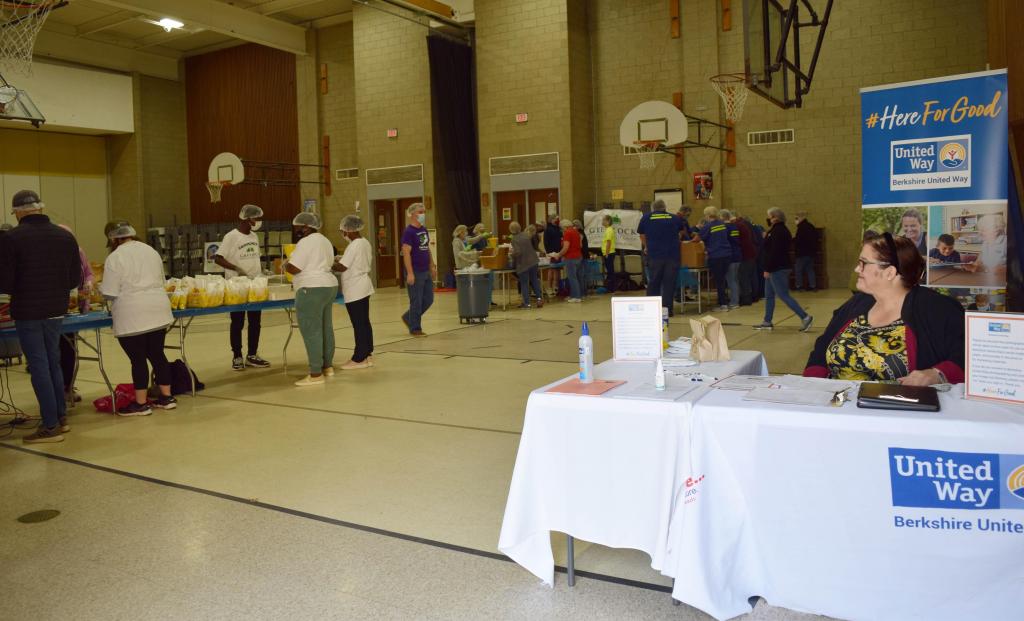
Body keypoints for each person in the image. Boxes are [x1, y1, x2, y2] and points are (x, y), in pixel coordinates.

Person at [804, 233, 964, 385]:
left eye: (863, 263)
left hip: (895, 409)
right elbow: (823, 346)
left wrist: (937, 374)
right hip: (838, 405)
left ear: (890, 272)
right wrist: (813, 385)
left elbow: (968, 356)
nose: (857, 269)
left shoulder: (938, 309)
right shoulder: (857, 302)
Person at [0, 190, 82, 442]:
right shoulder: (64, 236)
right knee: (52, 362)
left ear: (18, 212)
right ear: (40, 208)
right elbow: (74, 279)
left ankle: (50, 426)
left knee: (39, 366)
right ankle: (60, 416)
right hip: (57, 310)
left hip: (28, 311)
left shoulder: (11, 239)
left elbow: (5, 282)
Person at [101, 222, 176, 416]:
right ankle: (167, 398)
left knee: (138, 359)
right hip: (158, 308)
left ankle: (141, 404)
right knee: (158, 354)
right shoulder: (151, 251)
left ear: (113, 238)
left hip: (133, 313)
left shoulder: (115, 257)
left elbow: (109, 291)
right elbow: (161, 279)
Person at [215, 204, 271, 371]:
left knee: (255, 321)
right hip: (236, 286)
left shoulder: (254, 236)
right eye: (257, 218)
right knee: (237, 322)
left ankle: (252, 355)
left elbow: (253, 257)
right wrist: (236, 268)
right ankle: (237, 356)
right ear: (248, 219)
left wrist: (261, 271)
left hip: (254, 285)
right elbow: (218, 258)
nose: (259, 221)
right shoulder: (231, 237)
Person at [286, 212, 338, 385]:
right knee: (325, 327)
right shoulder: (325, 240)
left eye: (298, 227)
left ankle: (315, 374)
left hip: (311, 287)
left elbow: (294, 268)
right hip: (328, 285)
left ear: (306, 227)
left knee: (311, 330)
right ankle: (327, 367)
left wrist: (286, 263)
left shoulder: (305, 242)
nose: (296, 230)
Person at [755, 208, 813, 331]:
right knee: (769, 295)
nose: (768, 219)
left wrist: (767, 268)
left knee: (783, 295)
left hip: (777, 268)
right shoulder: (777, 230)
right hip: (775, 267)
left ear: (775, 217)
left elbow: (775, 252)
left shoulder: (778, 231)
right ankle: (767, 321)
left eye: (769, 216)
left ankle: (805, 317)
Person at [57, 224, 94, 406]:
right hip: (53, 309)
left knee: (69, 349)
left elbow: (88, 274)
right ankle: (56, 390)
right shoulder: (49, 253)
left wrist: (88, 285)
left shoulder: (79, 251)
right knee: (53, 352)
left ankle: (67, 387)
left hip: (74, 308)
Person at [333, 215, 375, 370]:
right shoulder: (364, 242)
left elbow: (342, 267)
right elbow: (352, 261)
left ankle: (359, 358)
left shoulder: (354, 245)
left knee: (358, 323)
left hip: (355, 288)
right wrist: (339, 258)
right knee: (364, 322)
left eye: (342, 231)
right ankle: (368, 353)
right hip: (363, 286)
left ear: (349, 230)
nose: (342, 234)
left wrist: (326, 263)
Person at [638, 199, 684, 315]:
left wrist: (646, 246)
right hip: (672, 256)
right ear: (665, 207)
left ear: (653, 208)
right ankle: (667, 310)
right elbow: (681, 233)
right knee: (669, 283)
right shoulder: (675, 218)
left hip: (655, 255)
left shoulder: (646, 218)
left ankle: (652, 310)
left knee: (654, 283)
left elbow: (642, 234)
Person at [400, 203, 436, 335]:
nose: (423, 215)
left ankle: (408, 318)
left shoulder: (424, 230)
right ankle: (415, 328)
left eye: (424, 212)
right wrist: (410, 273)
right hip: (415, 270)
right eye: (420, 212)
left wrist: (431, 265)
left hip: (425, 269)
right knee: (417, 300)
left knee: (429, 299)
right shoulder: (409, 232)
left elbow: (427, 249)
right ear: (413, 214)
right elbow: (406, 253)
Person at [695, 206, 735, 312]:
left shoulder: (708, 226)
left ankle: (723, 304)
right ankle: (723, 301)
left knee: (718, 281)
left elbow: (697, 239)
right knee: (723, 279)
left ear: (707, 215)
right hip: (726, 254)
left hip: (716, 256)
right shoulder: (722, 224)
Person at [509, 222, 543, 309]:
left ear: (511, 230)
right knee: (534, 280)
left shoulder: (514, 239)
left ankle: (527, 304)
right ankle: (539, 299)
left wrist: (511, 254)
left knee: (524, 283)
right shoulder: (525, 235)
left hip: (523, 263)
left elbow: (518, 252)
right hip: (533, 261)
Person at [551, 219, 584, 302]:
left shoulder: (567, 233)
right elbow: (580, 245)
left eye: (562, 228)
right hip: (578, 257)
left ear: (565, 227)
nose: (562, 230)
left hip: (571, 258)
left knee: (572, 278)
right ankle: (574, 295)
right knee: (576, 277)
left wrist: (558, 254)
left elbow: (566, 247)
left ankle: (576, 297)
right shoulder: (576, 232)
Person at [730, 212, 757, 305]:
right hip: (751, 253)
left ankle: (746, 299)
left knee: (743, 277)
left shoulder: (738, 225)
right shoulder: (744, 223)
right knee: (748, 277)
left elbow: (737, 241)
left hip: (745, 255)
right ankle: (751, 297)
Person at [718, 209, 742, 310]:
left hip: (730, 257)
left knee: (731, 280)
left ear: (722, 217)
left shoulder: (724, 228)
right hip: (738, 256)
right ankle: (736, 300)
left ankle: (734, 302)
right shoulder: (734, 226)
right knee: (735, 279)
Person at [793, 211, 818, 291]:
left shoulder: (801, 228)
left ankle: (799, 286)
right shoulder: (811, 226)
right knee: (810, 269)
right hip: (811, 253)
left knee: (798, 270)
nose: (795, 220)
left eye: (796, 218)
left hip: (802, 253)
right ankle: (813, 286)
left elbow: (798, 240)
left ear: (801, 218)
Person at [542, 213, 563, 296]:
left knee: (557, 269)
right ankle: (549, 287)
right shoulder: (548, 229)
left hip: (559, 252)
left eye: (558, 219)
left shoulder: (558, 228)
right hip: (551, 252)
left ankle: (556, 286)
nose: (557, 220)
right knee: (551, 269)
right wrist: (550, 253)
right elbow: (546, 242)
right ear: (551, 219)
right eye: (556, 219)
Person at [601, 214, 617, 291]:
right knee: (610, 271)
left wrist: (607, 253)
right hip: (608, 253)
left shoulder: (609, 230)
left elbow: (608, 242)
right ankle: (611, 287)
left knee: (610, 271)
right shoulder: (608, 230)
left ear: (608, 221)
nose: (602, 222)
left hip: (609, 253)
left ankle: (612, 288)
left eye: (604, 220)